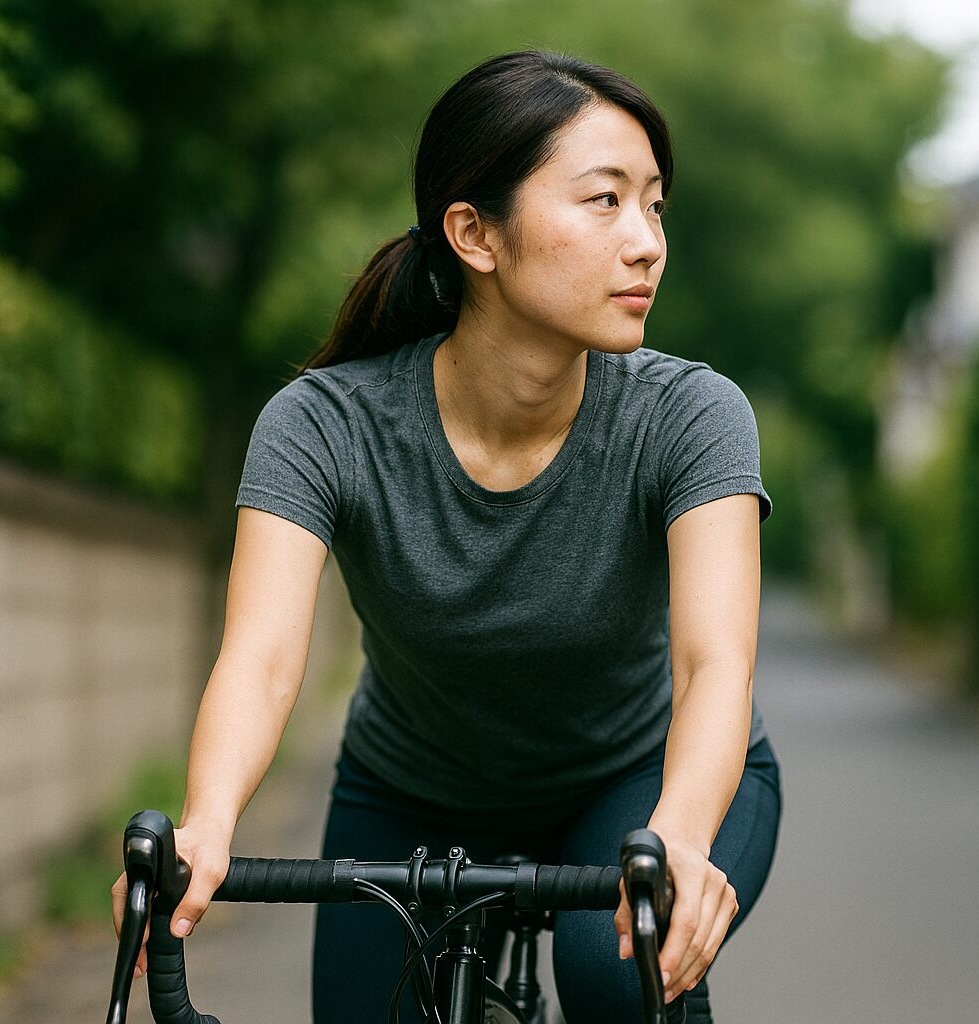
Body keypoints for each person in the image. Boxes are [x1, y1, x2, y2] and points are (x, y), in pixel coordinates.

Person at [112, 50, 782, 1023]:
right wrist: (206, 822)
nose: (646, 243)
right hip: (413, 789)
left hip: (642, 775)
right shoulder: (322, 424)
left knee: (613, 968)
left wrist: (675, 836)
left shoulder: (691, 415)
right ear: (474, 234)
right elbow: (261, 659)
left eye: (654, 206)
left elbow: (713, 661)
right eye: (605, 201)